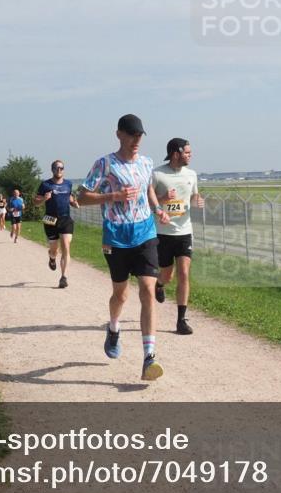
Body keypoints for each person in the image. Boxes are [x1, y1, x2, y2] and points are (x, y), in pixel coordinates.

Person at [78, 114, 170, 381]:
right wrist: (112, 196)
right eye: (131, 135)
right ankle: (114, 328)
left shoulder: (146, 162)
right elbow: (82, 197)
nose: (136, 140)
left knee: (147, 289)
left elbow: (148, 190)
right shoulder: (105, 164)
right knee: (120, 295)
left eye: (139, 136)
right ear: (119, 134)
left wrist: (158, 210)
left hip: (145, 233)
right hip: (116, 236)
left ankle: (149, 357)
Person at [152, 138, 204, 335]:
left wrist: (197, 201)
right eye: (188, 153)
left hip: (184, 232)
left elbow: (192, 197)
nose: (191, 156)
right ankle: (160, 284)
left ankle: (181, 320)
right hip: (163, 233)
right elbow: (148, 201)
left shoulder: (191, 174)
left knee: (183, 273)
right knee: (167, 274)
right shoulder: (157, 174)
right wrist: (163, 200)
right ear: (176, 153)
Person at [35, 161, 79, 288]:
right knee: (54, 249)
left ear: (63, 170)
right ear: (52, 169)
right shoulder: (45, 184)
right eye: (56, 168)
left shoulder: (68, 184)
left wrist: (74, 203)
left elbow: (69, 198)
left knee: (66, 245)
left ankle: (63, 277)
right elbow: (35, 202)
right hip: (50, 220)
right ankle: (52, 257)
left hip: (65, 219)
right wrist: (44, 199)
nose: (59, 170)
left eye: (61, 168)